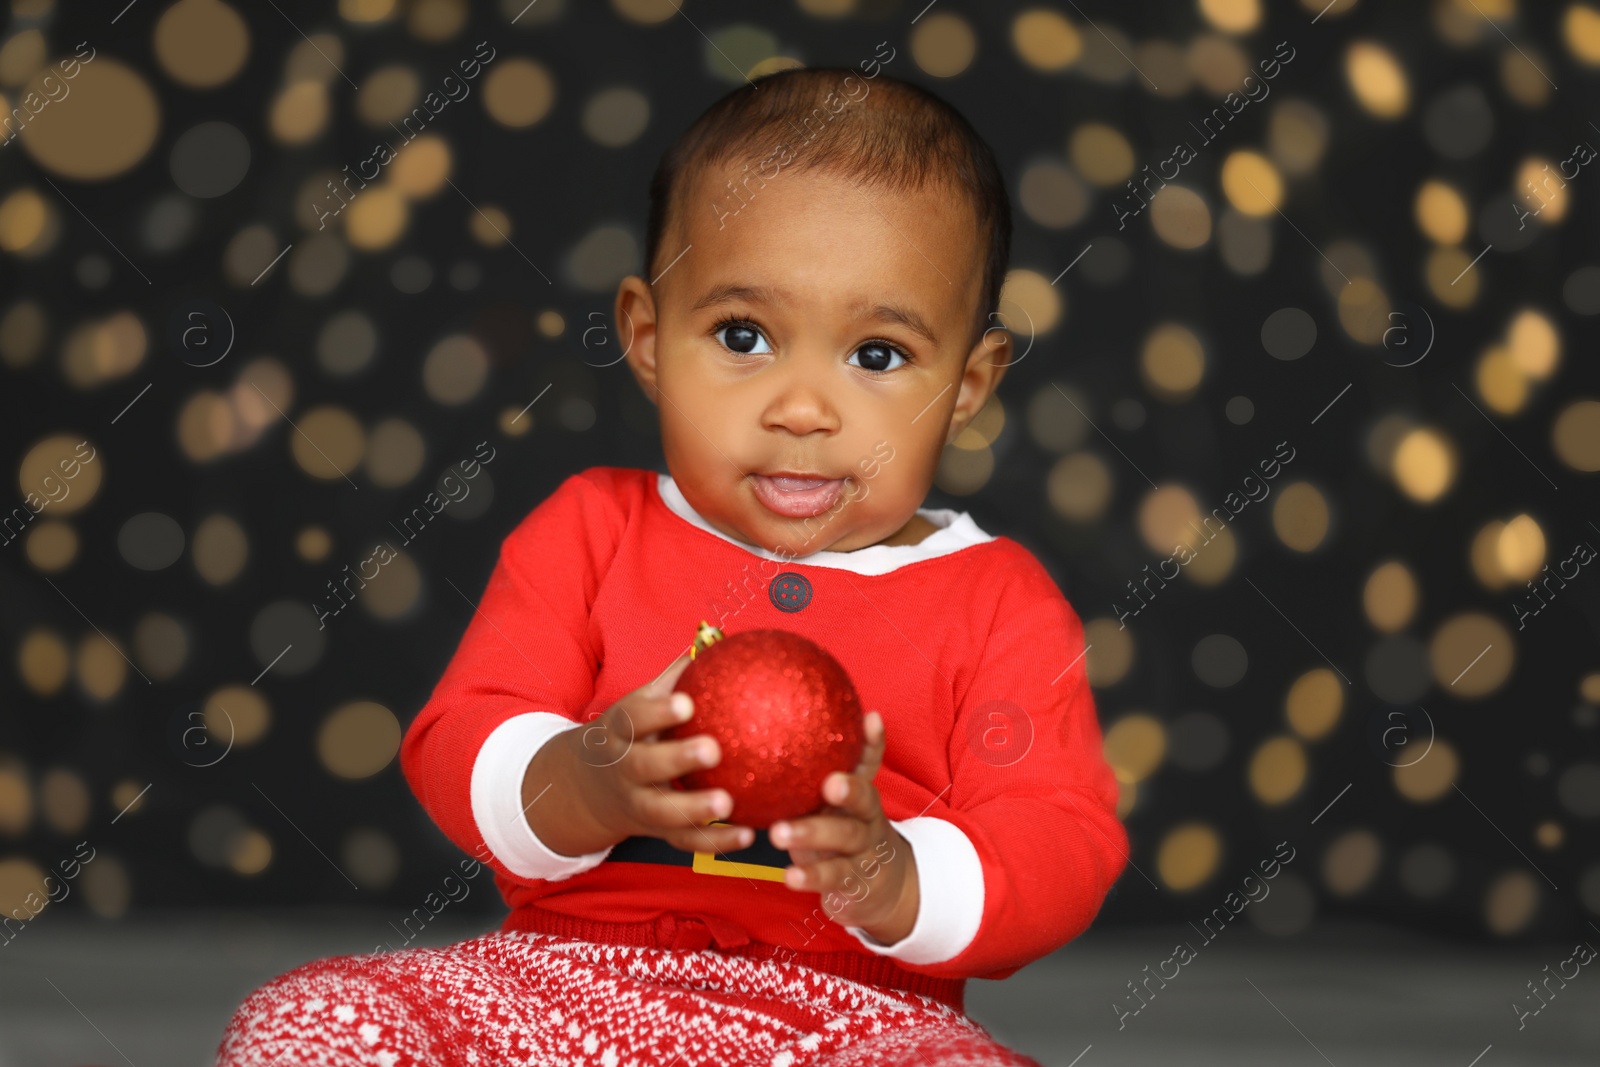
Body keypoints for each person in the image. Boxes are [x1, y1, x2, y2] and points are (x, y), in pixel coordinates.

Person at [217, 65, 1126, 1067]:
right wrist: (583, 777)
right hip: (558, 985)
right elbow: (456, 739)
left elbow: (1060, 841)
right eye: (744, 336)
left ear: (967, 383)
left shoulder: (996, 600)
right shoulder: (593, 530)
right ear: (648, 336)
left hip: (846, 1018)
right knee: (311, 1016)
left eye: (876, 355)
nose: (802, 408)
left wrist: (898, 872)